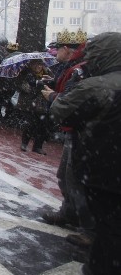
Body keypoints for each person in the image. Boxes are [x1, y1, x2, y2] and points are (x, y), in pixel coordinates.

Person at [50, 32, 121, 275]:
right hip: (107, 163)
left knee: (109, 228)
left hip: (102, 164)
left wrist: (54, 98)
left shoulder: (98, 86)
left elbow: (62, 111)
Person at [40, 29, 94, 244]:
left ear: (65, 49)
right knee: (66, 175)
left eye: (56, 50)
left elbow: (74, 101)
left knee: (75, 178)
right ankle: (69, 212)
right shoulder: (76, 67)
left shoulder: (80, 70)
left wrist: (52, 95)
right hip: (76, 129)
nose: (54, 54)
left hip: (80, 130)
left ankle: (87, 227)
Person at [14, 58, 52, 154]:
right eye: (37, 64)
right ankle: (24, 143)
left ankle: (38, 146)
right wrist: (35, 84)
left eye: (40, 64)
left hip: (42, 104)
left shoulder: (47, 73)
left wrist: (48, 82)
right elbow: (22, 85)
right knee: (29, 124)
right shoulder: (25, 73)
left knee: (42, 126)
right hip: (28, 103)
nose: (39, 66)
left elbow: (53, 84)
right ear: (32, 65)